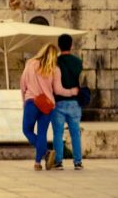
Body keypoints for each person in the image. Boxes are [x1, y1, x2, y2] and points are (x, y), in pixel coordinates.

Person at [19, 43, 71, 171]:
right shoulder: (55, 69)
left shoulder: (30, 64)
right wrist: (71, 92)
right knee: (42, 133)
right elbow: (58, 90)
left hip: (32, 102)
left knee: (27, 130)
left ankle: (46, 153)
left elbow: (23, 84)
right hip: (48, 105)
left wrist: (24, 101)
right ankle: (37, 163)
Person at [50, 33, 84, 170]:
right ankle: (78, 162)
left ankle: (58, 161)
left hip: (58, 102)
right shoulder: (78, 62)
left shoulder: (55, 62)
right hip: (75, 102)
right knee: (75, 133)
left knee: (58, 133)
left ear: (59, 45)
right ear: (71, 45)